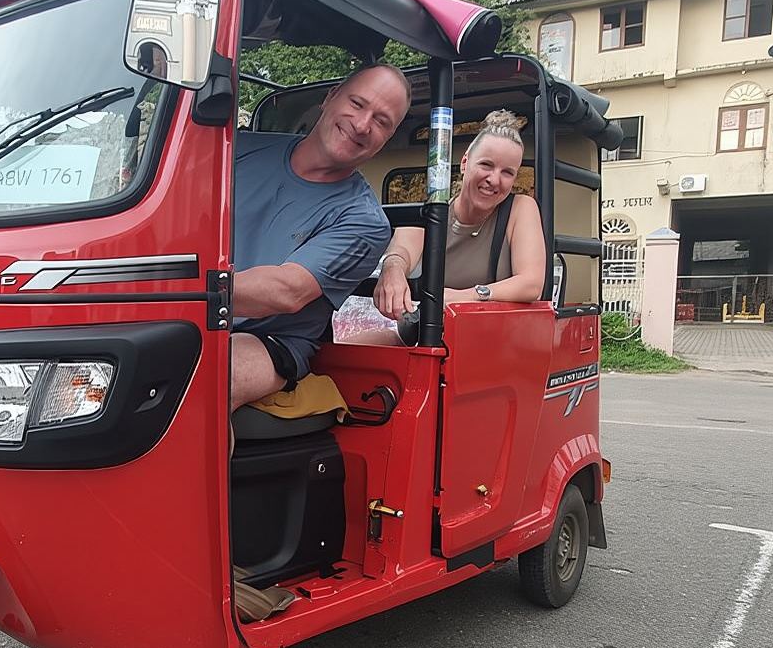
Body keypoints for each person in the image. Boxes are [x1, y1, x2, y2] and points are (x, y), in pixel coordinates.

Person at [230, 63, 412, 414]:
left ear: (387, 138)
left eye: (381, 121)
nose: (362, 125)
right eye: (357, 104)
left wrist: (171, 294)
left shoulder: (364, 221)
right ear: (330, 98)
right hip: (182, 314)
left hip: (267, 341)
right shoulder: (238, 149)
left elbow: (286, 291)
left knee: (205, 375)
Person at [350, 109, 546, 344]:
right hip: (422, 338)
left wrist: (464, 298)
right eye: (486, 165)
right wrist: (392, 270)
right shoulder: (434, 211)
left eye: (507, 172)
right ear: (465, 163)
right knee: (343, 355)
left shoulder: (520, 208)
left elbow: (531, 283)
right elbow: (401, 251)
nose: (494, 179)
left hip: (488, 344)